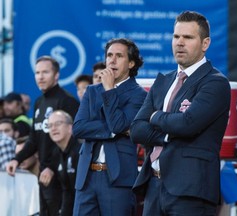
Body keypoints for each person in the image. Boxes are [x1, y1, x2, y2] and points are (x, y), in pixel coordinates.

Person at [130, 11, 231, 216]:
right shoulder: (163, 82)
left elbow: (187, 124)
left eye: (188, 37)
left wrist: (156, 117)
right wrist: (167, 133)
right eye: (176, 37)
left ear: (205, 44)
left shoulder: (215, 82)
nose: (180, 43)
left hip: (191, 192)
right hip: (154, 186)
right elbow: (137, 129)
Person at [72, 38, 147, 216]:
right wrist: (113, 131)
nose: (112, 60)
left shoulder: (139, 95)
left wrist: (109, 89)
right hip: (86, 178)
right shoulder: (91, 91)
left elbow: (119, 123)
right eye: (109, 55)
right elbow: (78, 128)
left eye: (119, 56)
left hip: (117, 179)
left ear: (131, 63)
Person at [6, 55, 79, 216]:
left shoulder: (67, 101)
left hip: (62, 178)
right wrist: (16, 159)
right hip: (43, 175)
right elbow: (33, 139)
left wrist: (52, 167)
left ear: (56, 75)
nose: (40, 77)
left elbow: (73, 142)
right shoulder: (39, 102)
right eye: (37, 73)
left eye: (45, 72)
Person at [48, 110, 80, 216]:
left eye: (58, 124)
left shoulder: (80, 150)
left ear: (70, 127)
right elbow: (66, 190)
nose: (53, 128)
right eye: (50, 125)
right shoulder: (56, 153)